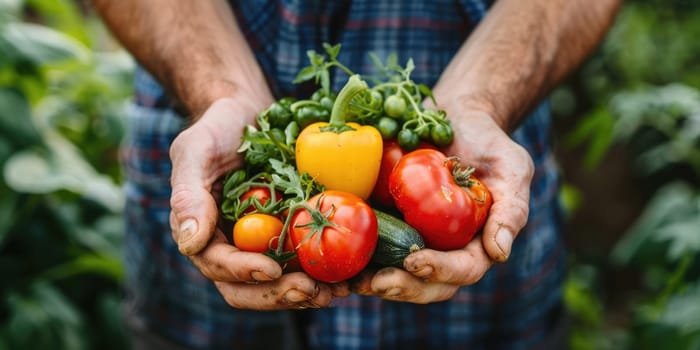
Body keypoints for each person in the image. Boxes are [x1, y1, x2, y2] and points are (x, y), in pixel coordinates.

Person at [93, 1, 620, 349]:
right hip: (201, 317)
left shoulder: (393, 155)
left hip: (487, 317)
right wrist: (221, 94)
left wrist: (481, 100)